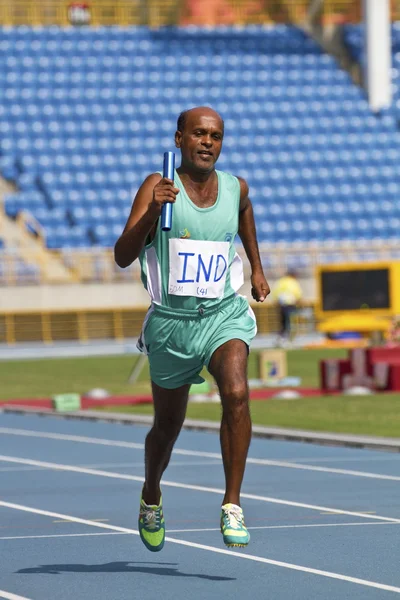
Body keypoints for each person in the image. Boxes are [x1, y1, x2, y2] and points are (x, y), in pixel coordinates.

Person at [114, 106, 270, 552]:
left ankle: (232, 504)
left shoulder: (235, 187)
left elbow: (244, 211)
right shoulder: (157, 185)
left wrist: (257, 268)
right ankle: (151, 495)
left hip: (222, 312)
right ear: (180, 137)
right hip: (171, 323)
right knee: (167, 427)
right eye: (199, 134)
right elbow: (123, 255)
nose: (207, 142)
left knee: (237, 392)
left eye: (216, 136)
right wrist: (151, 214)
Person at [271, 270, 302, 345]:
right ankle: (288, 339)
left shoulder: (280, 282)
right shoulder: (293, 282)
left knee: (283, 323)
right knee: (290, 323)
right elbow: (297, 294)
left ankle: (281, 339)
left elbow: (275, 293)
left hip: (282, 305)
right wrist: (299, 302)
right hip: (291, 305)